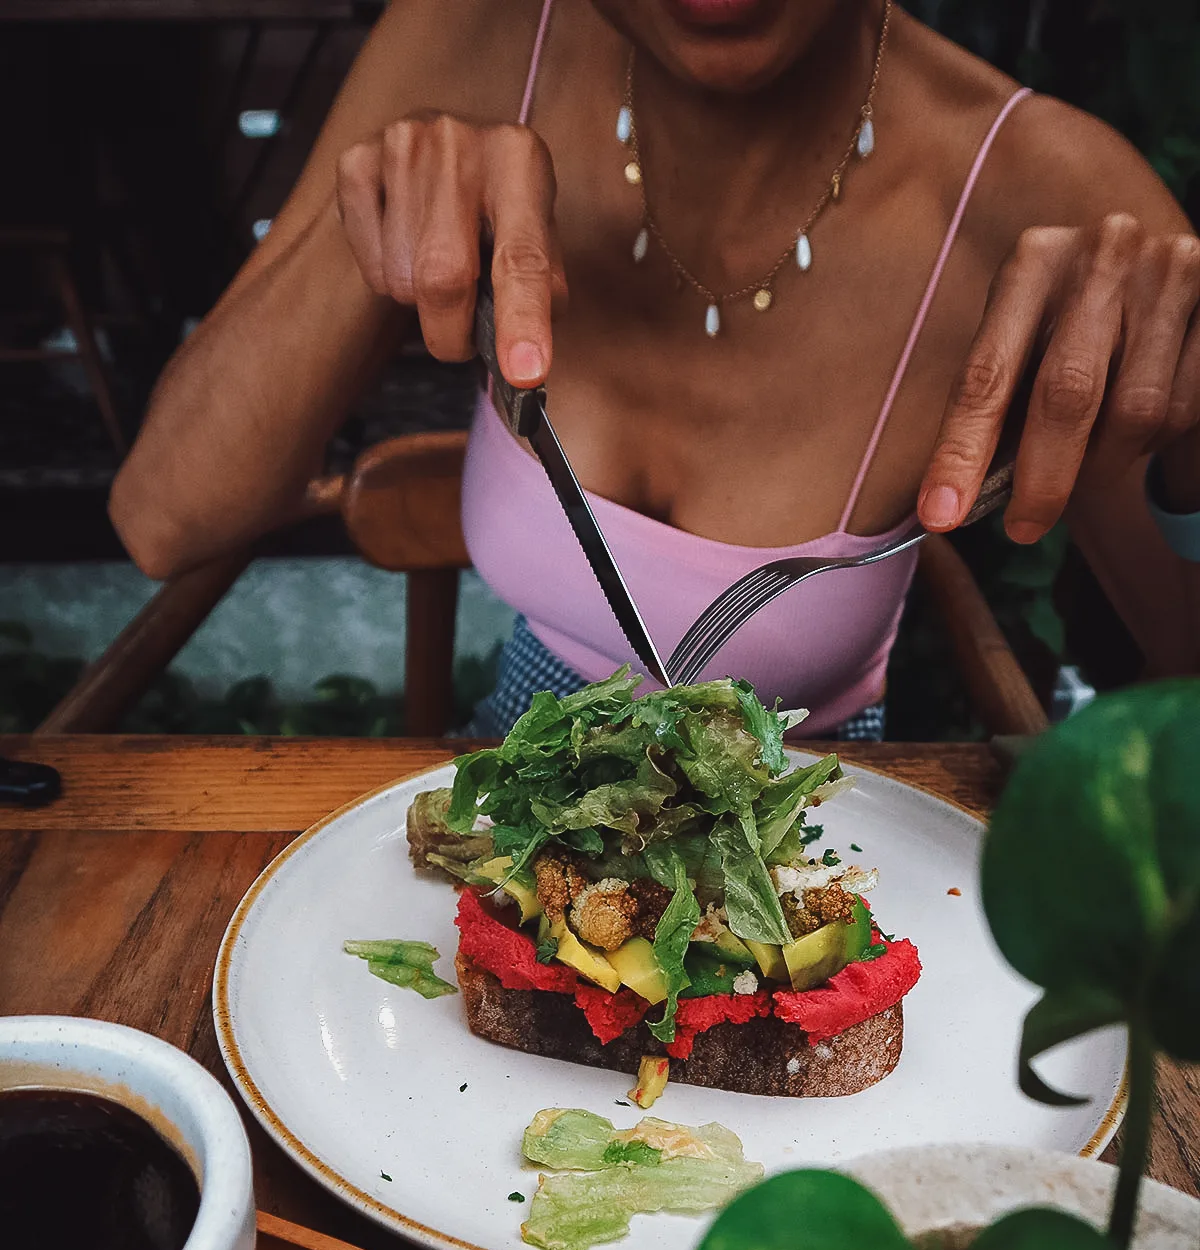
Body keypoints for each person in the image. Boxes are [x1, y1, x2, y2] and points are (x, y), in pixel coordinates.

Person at [110, 0, 1200, 737]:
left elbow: (1178, 662)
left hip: (834, 851)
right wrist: (376, 223)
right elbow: (163, 519)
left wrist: (1193, 455)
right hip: (507, 796)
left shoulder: (1047, 191)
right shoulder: (472, 34)